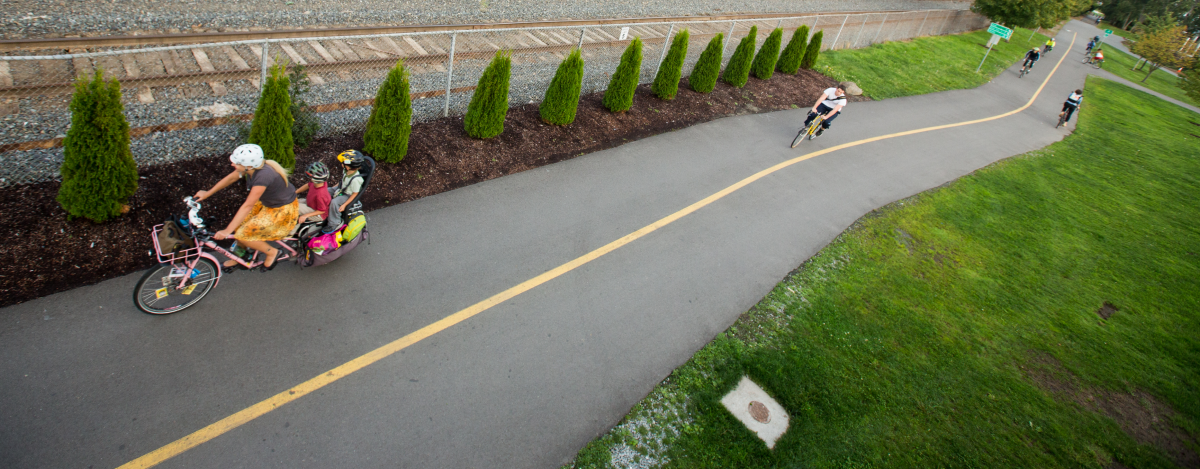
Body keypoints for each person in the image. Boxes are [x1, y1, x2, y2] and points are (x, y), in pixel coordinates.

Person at [194, 143, 298, 272]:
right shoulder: (250, 169)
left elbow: (248, 205)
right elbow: (230, 178)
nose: (232, 164)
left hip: (281, 210)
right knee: (239, 227)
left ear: (248, 165)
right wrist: (207, 193)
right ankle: (241, 256)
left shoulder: (263, 176)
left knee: (243, 235)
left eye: (236, 162)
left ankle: (272, 252)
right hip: (269, 203)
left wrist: (227, 231)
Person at [325, 149, 366, 231]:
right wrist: (334, 188)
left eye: (343, 163)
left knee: (335, 202)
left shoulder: (356, 180)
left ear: (348, 166)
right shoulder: (346, 171)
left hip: (348, 195)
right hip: (342, 189)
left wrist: (344, 205)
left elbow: (355, 194)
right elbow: (342, 181)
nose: (342, 164)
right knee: (326, 191)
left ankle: (334, 223)